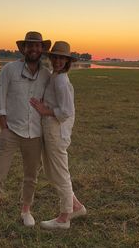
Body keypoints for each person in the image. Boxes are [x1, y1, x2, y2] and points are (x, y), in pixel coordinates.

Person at [0, 31, 51, 233]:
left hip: (35, 133)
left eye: (37, 46)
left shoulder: (46, 74)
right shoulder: (9, 69)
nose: (34, 49)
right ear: (23, 49)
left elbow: (51, 100)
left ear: (42, 49)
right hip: (10, 131)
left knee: (31, 175)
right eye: (30, 46)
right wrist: (4, 126)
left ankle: (26, 210)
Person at [30, 41, 87, 229]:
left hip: (56, 131)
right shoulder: (55, 76)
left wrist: (43, 109)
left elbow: (66, 112)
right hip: (50, 129)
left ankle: (64, 217)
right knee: (51, 171)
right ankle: (76, 206)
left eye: (61, 58)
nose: (57, 61)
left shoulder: (61, 80)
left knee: (60, 173)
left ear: (67, 61)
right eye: (55, 57)